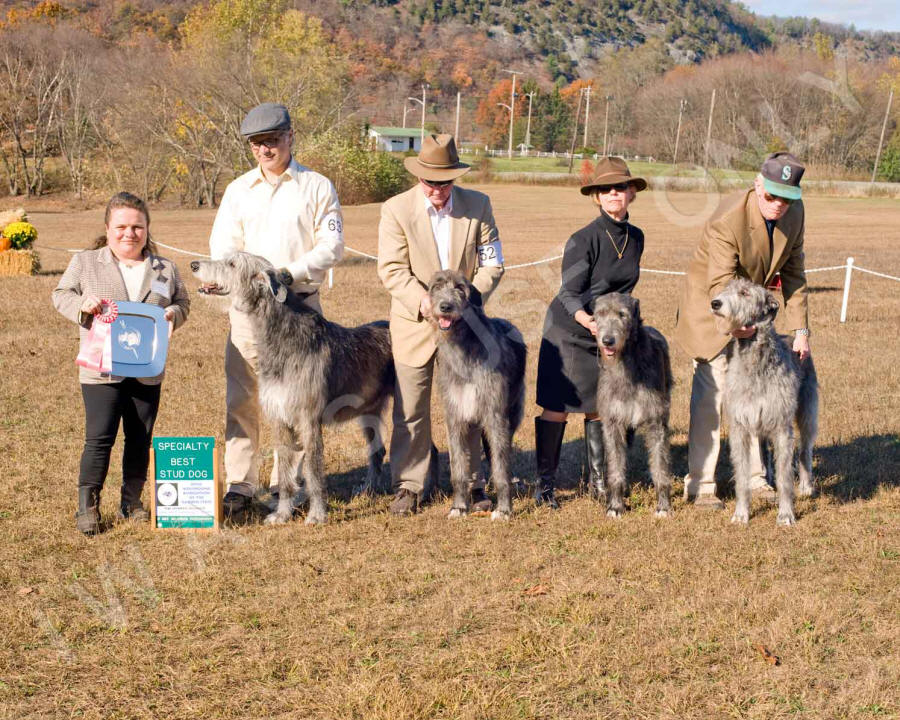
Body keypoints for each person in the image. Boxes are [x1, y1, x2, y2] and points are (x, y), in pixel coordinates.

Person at [204, 102, 344, 516]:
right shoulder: (237, 191)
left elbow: (332, 246)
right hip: (248, 315)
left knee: (300, 402)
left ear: (290, 137)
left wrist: (287, 273)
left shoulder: (317, 186)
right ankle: (242, 483)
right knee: (244, 396)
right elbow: (223, 249)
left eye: (273, 141)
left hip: (300, 310)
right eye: (257, 144)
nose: (266, 149)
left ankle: (289, 482)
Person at [377, 133, 504, 516]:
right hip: (415, 323)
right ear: (419, 178)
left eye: (445, 181)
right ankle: (411, 485)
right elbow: (392, 268)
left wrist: (466, 302)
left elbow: (492, 262)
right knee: (410, 409)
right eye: (430, 181)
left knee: (469, 407)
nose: (437, 189)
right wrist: (426, 302)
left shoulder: (478, 205)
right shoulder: (396, 209)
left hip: (466, 329)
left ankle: (472, 484)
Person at [675, 151, 810, 509]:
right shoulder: (729, 218)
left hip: (755, 309)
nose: (779, 205)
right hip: (716, 307)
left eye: (787, 197)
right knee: (715, 393)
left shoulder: (794, 215)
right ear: (757, 185)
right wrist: (740, 327)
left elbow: (794, 273)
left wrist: (800, 329)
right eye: (771, 196)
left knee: (757, 394)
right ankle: (701, 485)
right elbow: (720, 283)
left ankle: (755, 478)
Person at [52, 192, 190, 535]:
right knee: (99, 438)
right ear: (108, 228)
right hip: (101, 369)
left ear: (147, 229)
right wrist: (83, 305)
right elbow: (61, 294)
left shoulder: (165, 268)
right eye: (122, 227)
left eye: (137, 227)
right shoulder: (85, 262)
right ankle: (88, 505)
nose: (130, 233)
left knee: (140, 438)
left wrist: (174, 313)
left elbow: (183, 301)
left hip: (147, 370)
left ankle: (132, 501)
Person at [533, 156, 648, 509]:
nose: (614, 193)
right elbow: (568, 292)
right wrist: (587, 321)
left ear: (631, 193)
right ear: (596, 197)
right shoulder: (583, 239)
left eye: (621, 187)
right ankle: (545, 486)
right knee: (558, 408)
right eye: (606, 189)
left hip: (610, 333)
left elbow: (626, 292)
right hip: (570, 329)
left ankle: (600, 483)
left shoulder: (636, 238)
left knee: (600, 407)